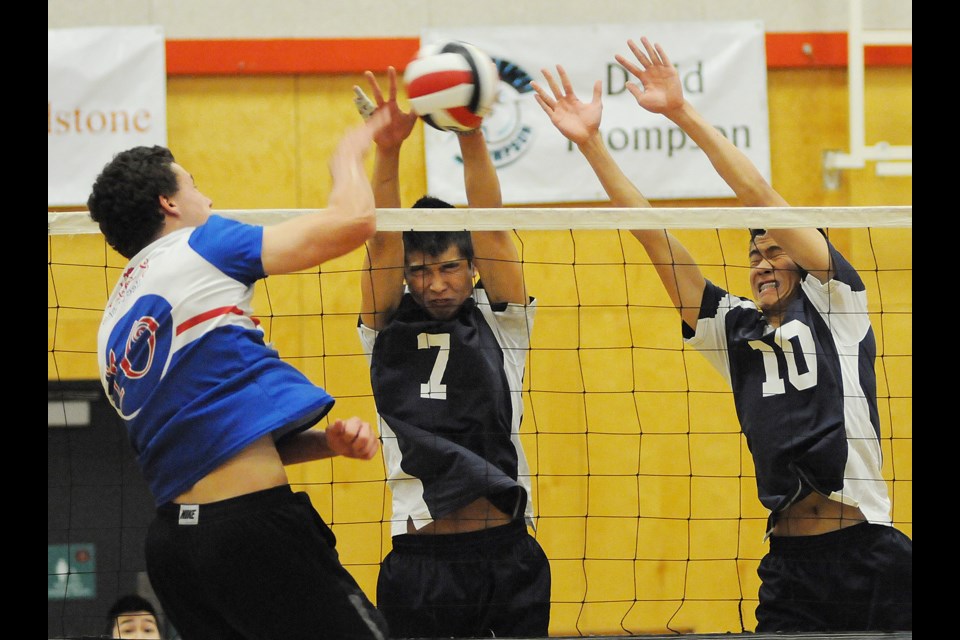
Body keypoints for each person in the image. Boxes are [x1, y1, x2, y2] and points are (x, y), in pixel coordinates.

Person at [530, 37, 912, 632]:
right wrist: (591, 145)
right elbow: (653, 237)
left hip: (869, 551)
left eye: (775, 249)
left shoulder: (838, 303)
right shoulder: (733, 330)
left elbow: (759, 195)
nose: (761, 262)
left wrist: (681, 113)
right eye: (753, 252)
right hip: (790, 562)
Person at [88, 112, 392, 640]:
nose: (206, 197)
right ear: (169, 203)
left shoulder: (112, 327)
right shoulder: (201, 244)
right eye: (194, 184)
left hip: (175, 551)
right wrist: (347, 154)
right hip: (251, 532)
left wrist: (326, 443)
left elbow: (204, 443)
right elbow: (355, 221)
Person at [353, 67, 551, 638]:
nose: (435, 284)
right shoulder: (384, 324)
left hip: (506, 552)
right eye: (420, 271)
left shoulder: (501, 320)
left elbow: (491, 230)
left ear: (470, 269)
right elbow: (383, 238)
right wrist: (388, 152)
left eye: (448, 268)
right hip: (421, 561)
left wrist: (469, 127)